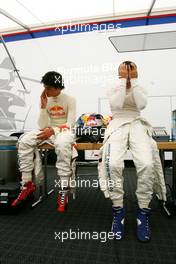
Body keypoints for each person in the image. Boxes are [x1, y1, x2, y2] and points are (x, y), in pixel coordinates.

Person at [98, 61, 166, 242]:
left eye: (131, 68)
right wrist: (123, 81)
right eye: (124, 68)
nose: (127, 70)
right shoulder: (112, 86)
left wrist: (133, 81)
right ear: (118, 71)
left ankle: (143, 212)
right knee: (112, 164)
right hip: (117, 124)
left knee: (147, 163)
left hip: (137, 123)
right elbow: (118, 105)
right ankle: (118, 211)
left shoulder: (140, 87)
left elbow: (141, 105)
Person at [11, 71, 77, 212]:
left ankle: (63, 191)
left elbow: (70, 123)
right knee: (24, 140)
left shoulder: (70, 99)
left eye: (48, 88)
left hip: (64, 132)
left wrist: (53, 131)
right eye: (45, 87)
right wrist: (42, 107)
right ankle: (27, 184)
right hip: (48, 130)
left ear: (58, 87)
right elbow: (42, 125)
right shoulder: (46, 99)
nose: (45, 91)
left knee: (63, 144)